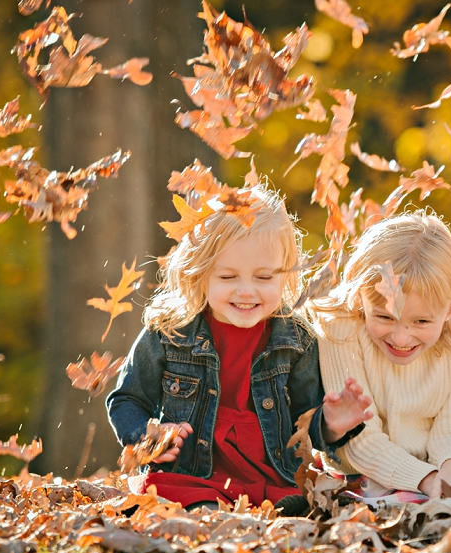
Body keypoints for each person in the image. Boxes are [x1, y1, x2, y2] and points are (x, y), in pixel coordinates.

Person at [106, 183, 372, 515]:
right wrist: (147, 437)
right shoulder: (170, 330)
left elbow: (305, 423)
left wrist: (332, 423)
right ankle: (208, 511)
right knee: (186, 503)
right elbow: (127, 399)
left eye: (263, 278)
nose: (246, 291)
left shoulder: (296, 338)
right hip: (192, 474)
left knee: (300, 505)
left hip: (271, 473)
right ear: (201, 274)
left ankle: (275, 509)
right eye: (229, 277)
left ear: (285, 276)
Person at [311, 211, 451, 503]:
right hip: (360, 477)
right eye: (384, 316)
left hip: (432, 470)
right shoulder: (341, 329)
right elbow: (359, 442)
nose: (401, 338)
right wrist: (428, 480)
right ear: (360, 296)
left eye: (421, 322)